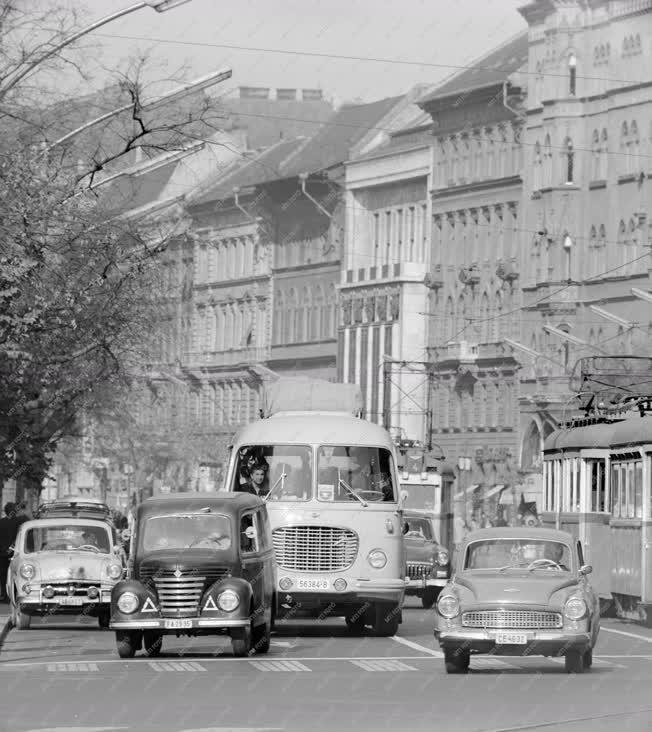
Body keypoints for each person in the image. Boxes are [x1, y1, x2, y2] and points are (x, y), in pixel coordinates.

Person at [0, 502, 28, 601]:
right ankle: (14, 594)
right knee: (15, 574)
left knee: (3, 575)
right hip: (15, 553)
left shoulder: (1, 522)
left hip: (2, 553)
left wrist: (5, 549)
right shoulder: (19, 522)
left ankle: (3, 594)